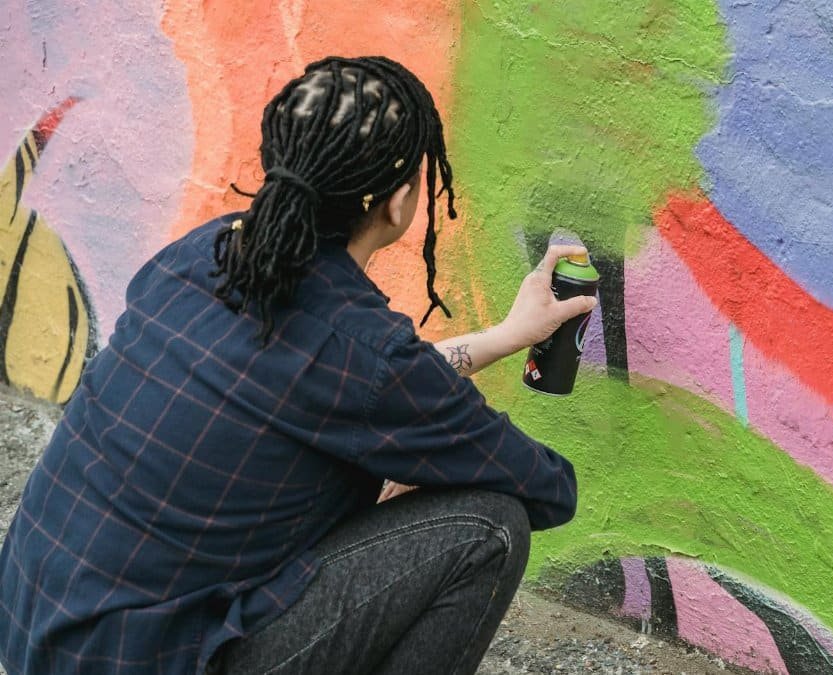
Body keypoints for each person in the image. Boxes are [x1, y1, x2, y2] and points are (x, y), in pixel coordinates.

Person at [0, 55, 593, 674]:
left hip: (32, 633)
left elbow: (343, 379)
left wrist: (502, 337)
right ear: (398, 204)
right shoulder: (364, 355)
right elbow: (549, 491)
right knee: (492, 527)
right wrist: (419, 467)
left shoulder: (203, 252)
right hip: (143, 662)